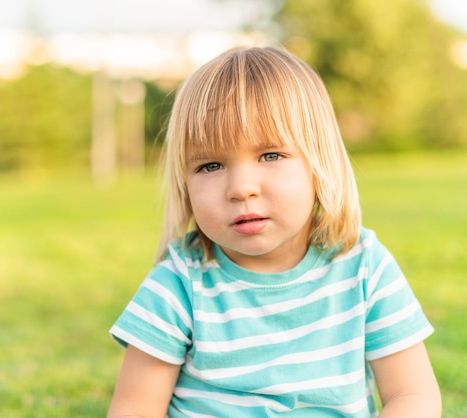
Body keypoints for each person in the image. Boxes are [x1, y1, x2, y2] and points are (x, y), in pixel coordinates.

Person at [107, 46, 441, 417]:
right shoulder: (181, 282)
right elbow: (136, 408)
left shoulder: (363, 264)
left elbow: (412, 396)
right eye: (211, 165)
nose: (241, 188)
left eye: (270, 156)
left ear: (319, 164)